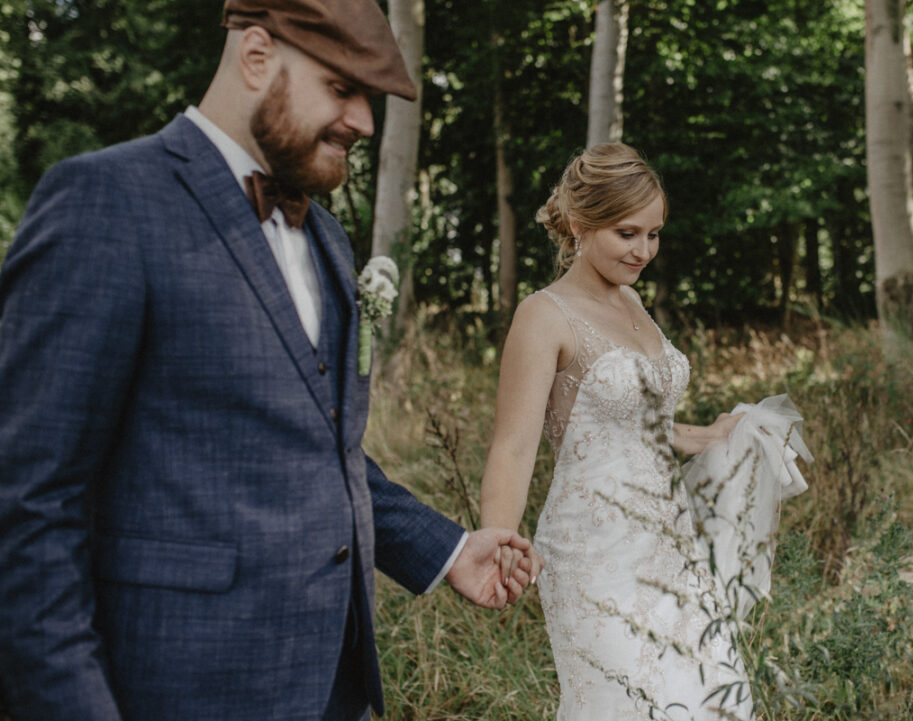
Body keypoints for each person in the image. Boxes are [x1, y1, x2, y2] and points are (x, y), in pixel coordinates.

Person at [0, 1, 539, 720]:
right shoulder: (106, 203)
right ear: (257, 56)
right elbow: (28, 505)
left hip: (330, 691)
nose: (365, 123)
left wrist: (447, 550)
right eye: (342, 88)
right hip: (172, 689)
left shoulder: (328, 238)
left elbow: (323, 449)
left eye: (370, 99)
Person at [479, 143, 755, 720]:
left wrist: (709, 434)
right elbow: (513, 445)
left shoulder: (632, 301)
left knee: (698, 696)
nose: (644, 250)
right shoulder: (544, 314)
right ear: (580, 225)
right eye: (628, 234)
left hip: (671, 544)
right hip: (594, 552)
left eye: (654, 234)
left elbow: (638, 424)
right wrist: (497, 543)